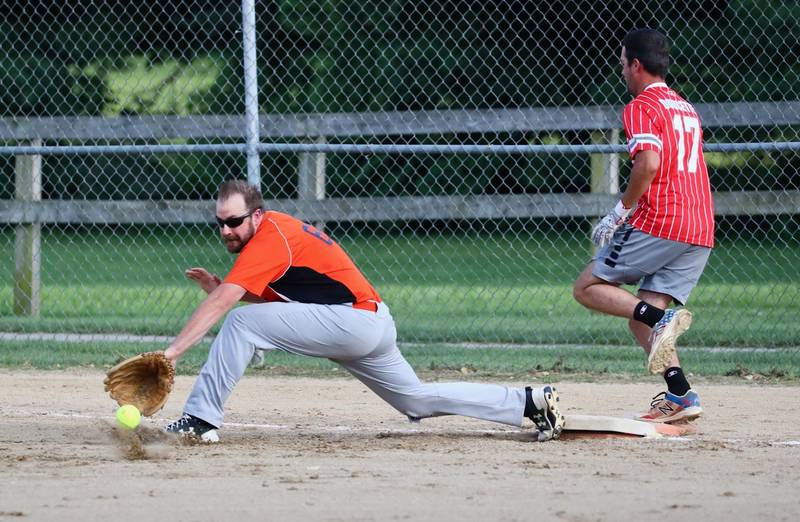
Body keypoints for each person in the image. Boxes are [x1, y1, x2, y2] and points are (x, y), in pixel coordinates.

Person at [163, 179, 564, 442]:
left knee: (238, 323)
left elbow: (225, 305)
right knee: (417, 401)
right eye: (219, 222)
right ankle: (527, 402)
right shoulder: (273, 234)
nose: (225, 230)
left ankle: (200, 420)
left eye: (233, 221)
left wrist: (172, 353)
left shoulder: (271, 237)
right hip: (365, 320)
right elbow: (292, 306)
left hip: (353, 322)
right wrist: (226, 290)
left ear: (257, 215)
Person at [573, 28, 714, 423]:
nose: (622, 70)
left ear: (636, 64)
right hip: (700, 227)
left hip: (664, 220)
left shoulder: (642, 105)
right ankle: (681, 394)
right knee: (640, 318)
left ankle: (663, 320)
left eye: (623, 63)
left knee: (587, 287)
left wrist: (620, 211)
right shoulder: (685, 107)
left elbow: (649, 164)